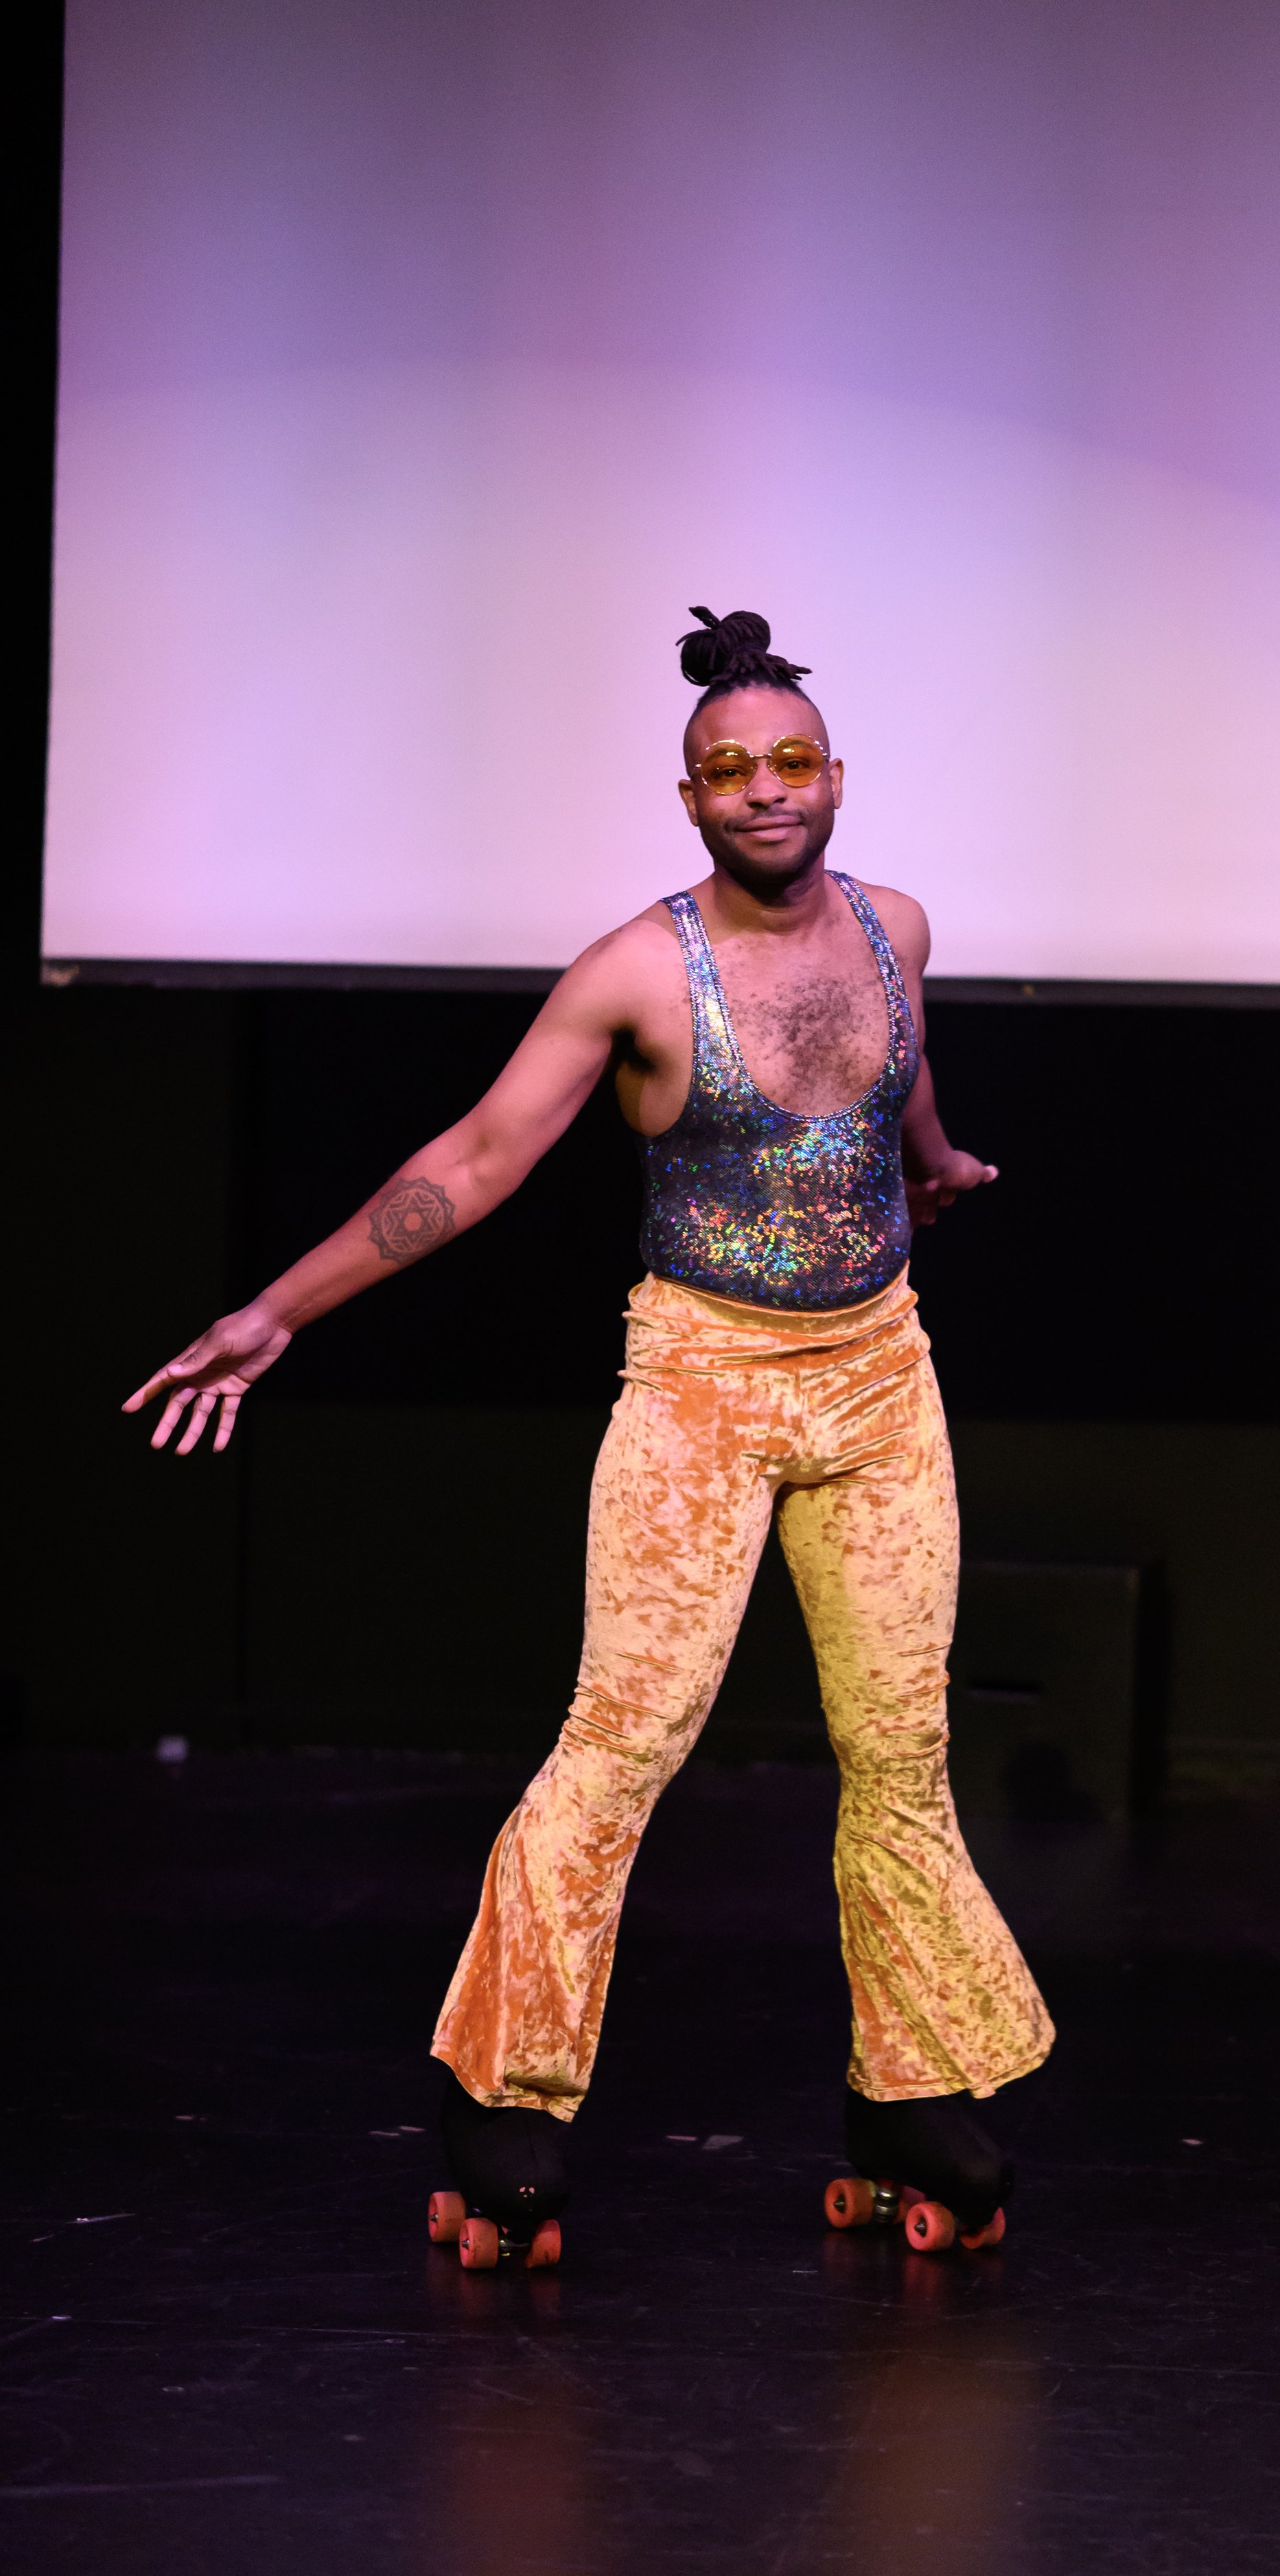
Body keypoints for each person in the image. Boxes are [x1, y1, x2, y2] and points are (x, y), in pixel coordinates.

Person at [125, 607, 1054, 2258]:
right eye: (727, 773)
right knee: (618, 1749)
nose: (762, 791)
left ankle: (912, 2084)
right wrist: (281, 1308)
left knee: (897, 1753)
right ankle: (509, 2105)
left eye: (787, 762)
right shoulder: (637, 969)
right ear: (687, 798)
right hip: (699, 1380)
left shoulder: (897, 925)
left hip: (879, 1379)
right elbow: (474, 1161)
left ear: (833, 775)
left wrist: (935, 1159)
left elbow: (896, 1077)